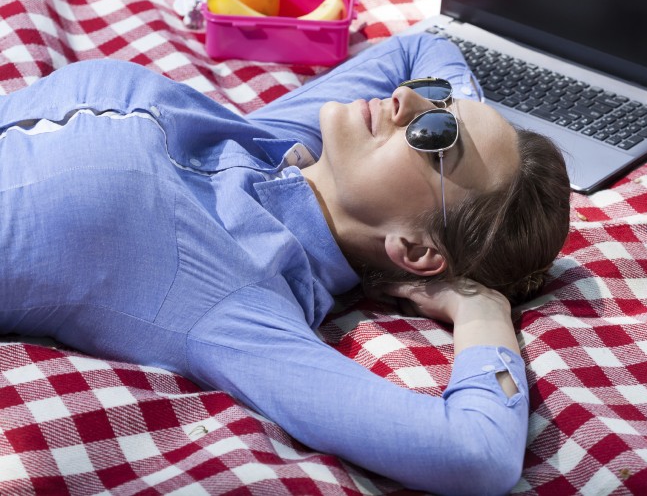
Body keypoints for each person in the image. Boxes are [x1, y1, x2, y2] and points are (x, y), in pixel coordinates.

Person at [0, 32, 571, 496]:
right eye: (436, 98)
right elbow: (419, 48)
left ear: (416, 249)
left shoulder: (234, 299)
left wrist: (482, 313)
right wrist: (475, 126)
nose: (407, 100)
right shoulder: (276, 142)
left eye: (434, 134)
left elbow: (477, 455)